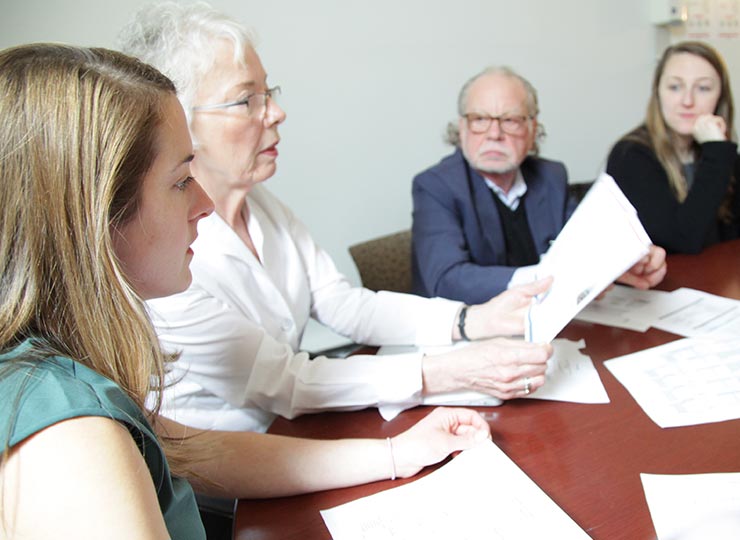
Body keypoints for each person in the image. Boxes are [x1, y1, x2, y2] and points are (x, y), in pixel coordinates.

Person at [0, 43, 495, 539]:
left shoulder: (68, 362)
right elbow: (285, 381)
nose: (203, 204)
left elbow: (193, 447)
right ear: (95, 216)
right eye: (179, 182)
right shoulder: (72, 438)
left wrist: (398, 453)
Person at [118, 1, 554, 434]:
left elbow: (343, 303)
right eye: (247, 100)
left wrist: (473, 320)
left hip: (298, 431)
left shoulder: (263, 206)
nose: (276, 112)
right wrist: (447, 371)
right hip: (229, 483)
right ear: (180, 122)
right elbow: (284, 381)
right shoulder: (161, 257)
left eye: (269, 94)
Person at [411, 66, 668, 305]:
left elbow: (585, 243)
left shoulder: (550, 176)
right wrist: (547, 280)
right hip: (466, 336)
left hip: (548, 328)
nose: (494, 134)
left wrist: (626, 259)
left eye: (510, 120)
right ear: (462, 129)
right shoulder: (435, 186)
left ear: (533, 129)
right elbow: (446, 281)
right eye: (479, 119)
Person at [606, 41, 739, 254]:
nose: (687, 101)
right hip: (663, 285)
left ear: (720, 97)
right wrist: (717, 152)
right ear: (658, 92)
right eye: (675, 87)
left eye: (703, 88)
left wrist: (719, 150)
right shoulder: (629, 155)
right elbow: (683, 241)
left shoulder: (721, 155)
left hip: (715, 281)